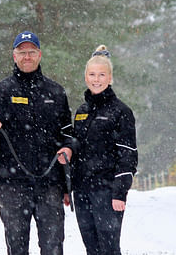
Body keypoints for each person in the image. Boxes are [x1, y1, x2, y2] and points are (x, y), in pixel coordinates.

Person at [0, 31, 74, 255]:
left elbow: (68, 136)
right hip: (12, 185)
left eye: (31, 52)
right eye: (22, 52)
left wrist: (68, 154)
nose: (27, 56)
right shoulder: (1, 92)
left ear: (39, 55)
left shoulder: (56, 92)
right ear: (14, 56)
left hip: (50, 184)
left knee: (53, 247)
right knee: (17, 247)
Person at [70, 45, 138, 255]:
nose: (96, 79)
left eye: (101, 75)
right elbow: (76, 150)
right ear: (85, 77)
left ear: (110, 78)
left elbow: (128, 155)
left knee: (108, 249)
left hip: (107, 192)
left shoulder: (121, 112)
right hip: (82, 192)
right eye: (92, 74)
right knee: (92, 248)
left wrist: (120, 192)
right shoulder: (81, 112)